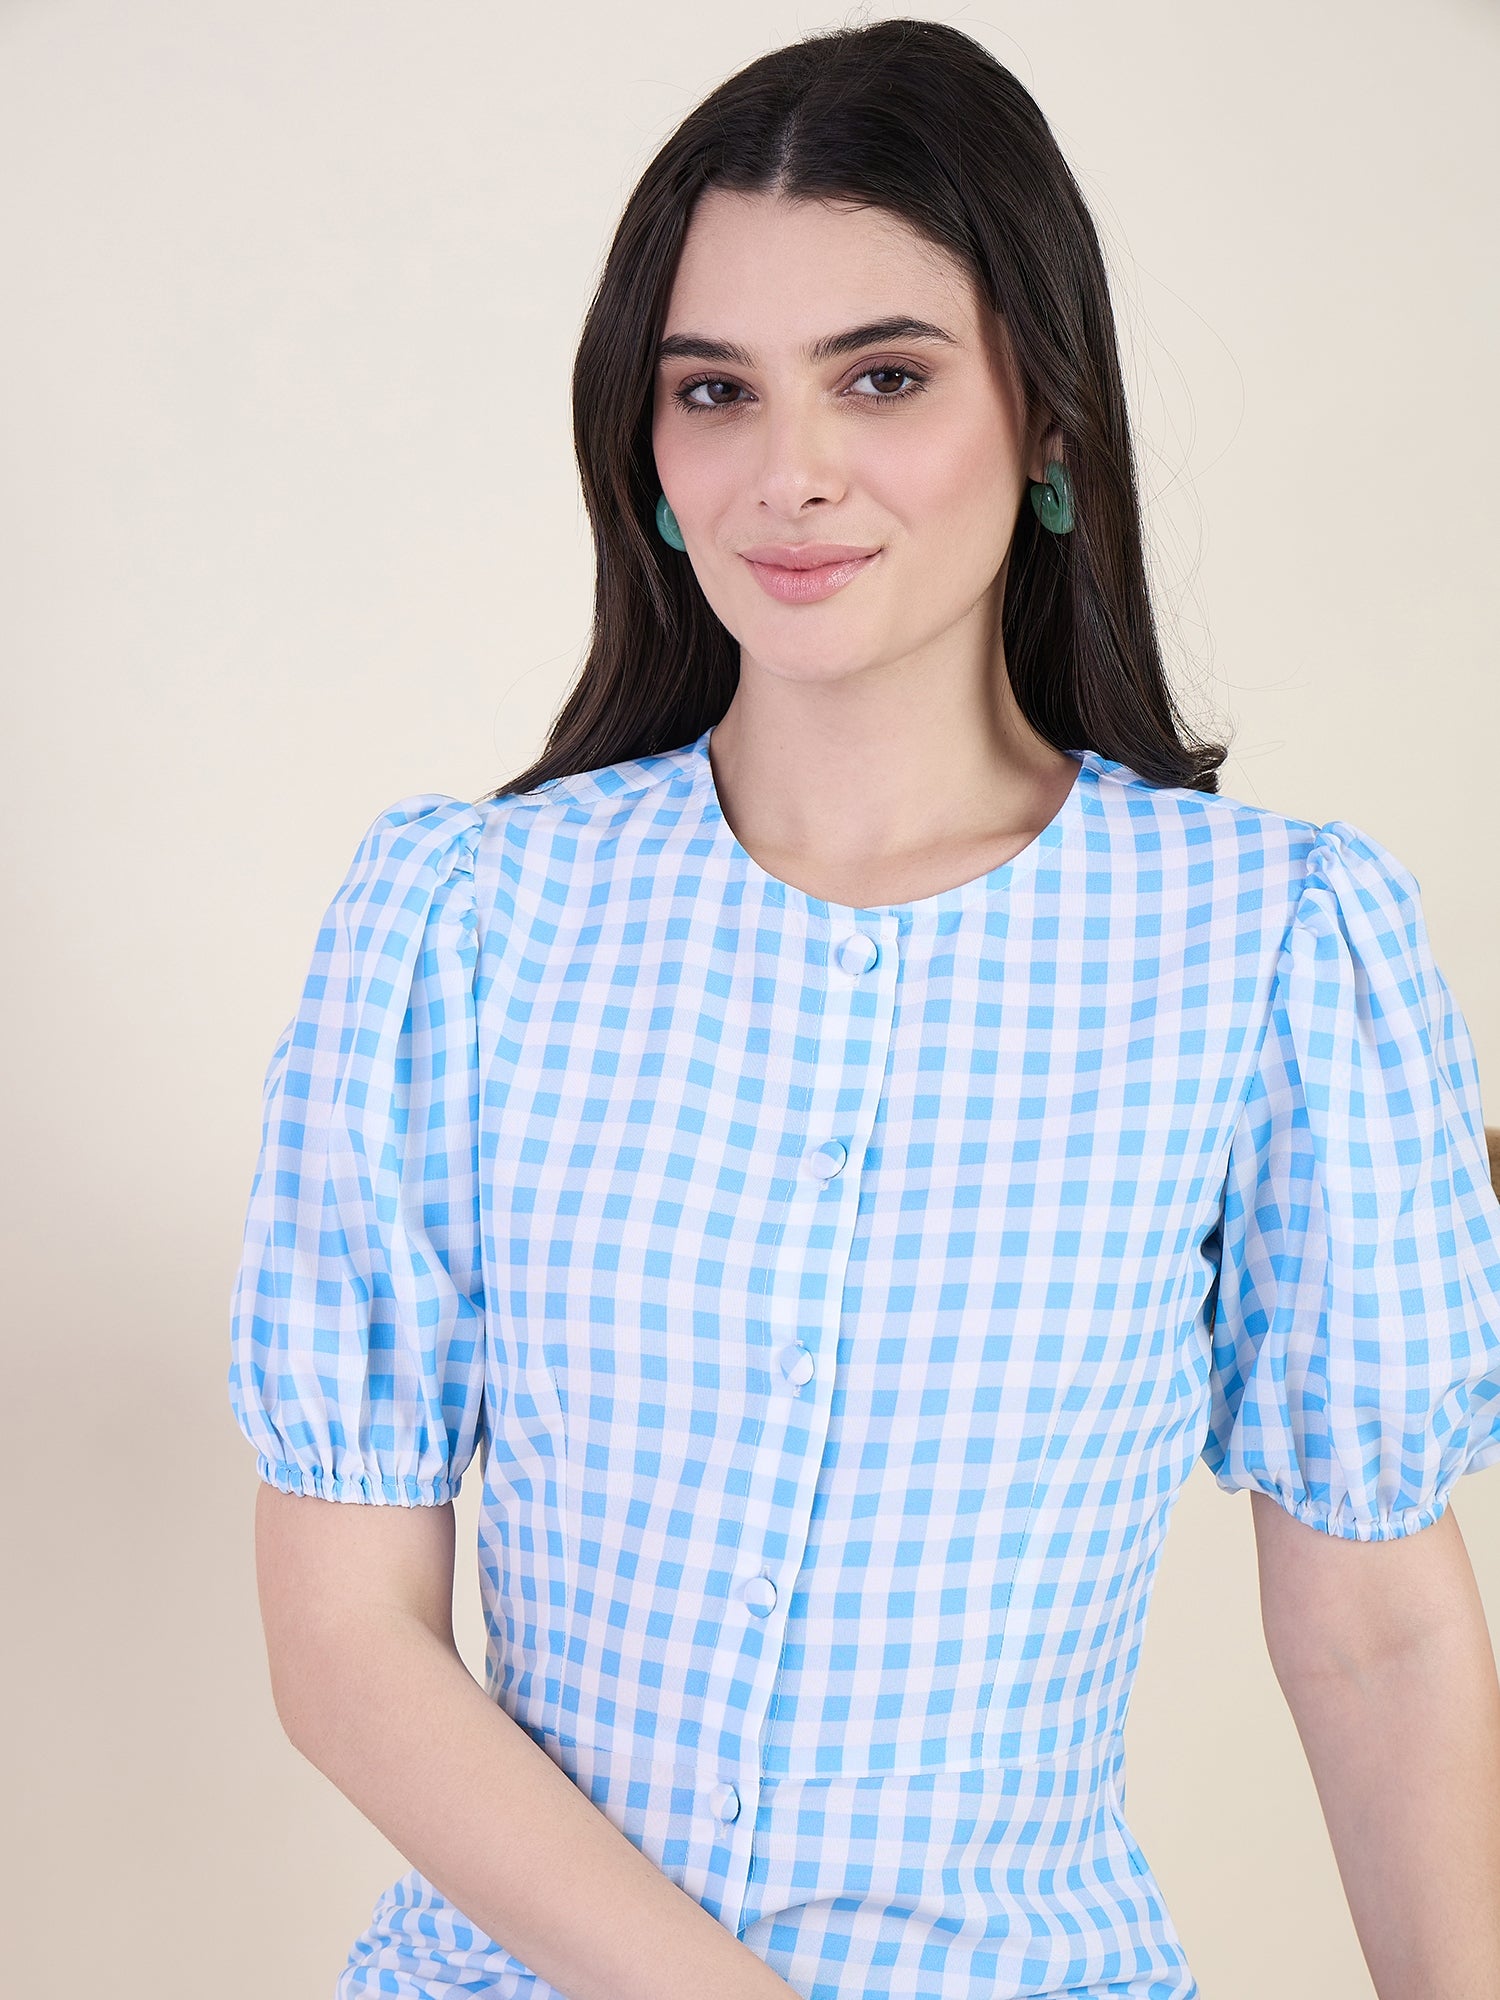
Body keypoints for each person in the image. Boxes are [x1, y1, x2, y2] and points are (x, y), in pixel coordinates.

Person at [227, 18, 1500, 2000]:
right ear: (648, 456)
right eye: (714, 391)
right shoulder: (465, 927)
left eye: (883, 377)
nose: (790, 472)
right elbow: (346, 1644)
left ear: (1048, 417)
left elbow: (1379, 1634)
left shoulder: (1271, 949)